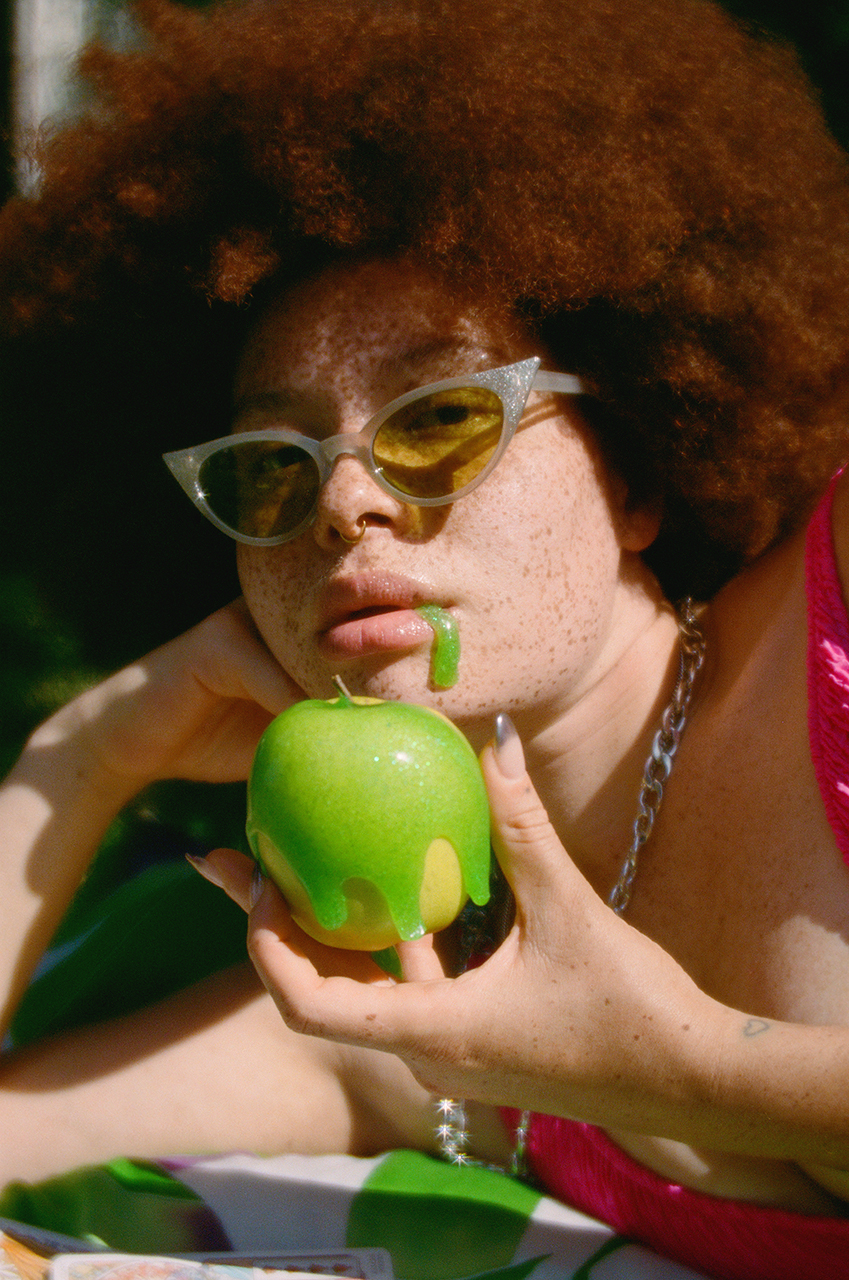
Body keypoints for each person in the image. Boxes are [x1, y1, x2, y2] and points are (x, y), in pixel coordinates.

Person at [1, 0, 849, 1276]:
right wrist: (81, 755)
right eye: (269, 468)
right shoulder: (429, 1015)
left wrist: (676, 1069)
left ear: (633, 472)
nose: (343, 501)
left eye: (442, 417)